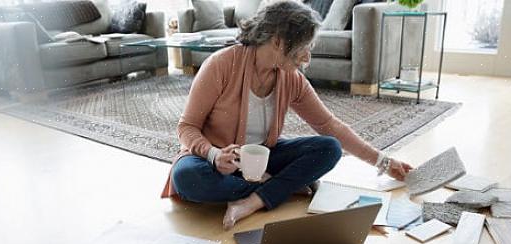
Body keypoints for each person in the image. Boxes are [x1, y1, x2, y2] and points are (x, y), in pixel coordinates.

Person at [161, 0, 412, 229]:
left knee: (329, 148)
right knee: (186, 177)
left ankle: (253, 200)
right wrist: (214, 155)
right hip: (218, 160)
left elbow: (330, 125)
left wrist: (384, 162)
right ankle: (282, 186)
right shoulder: (221, 65)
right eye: (304, 47)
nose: (307, 57)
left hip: (262, 158)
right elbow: (187, 127)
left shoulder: (291, 79)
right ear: (278, 41)